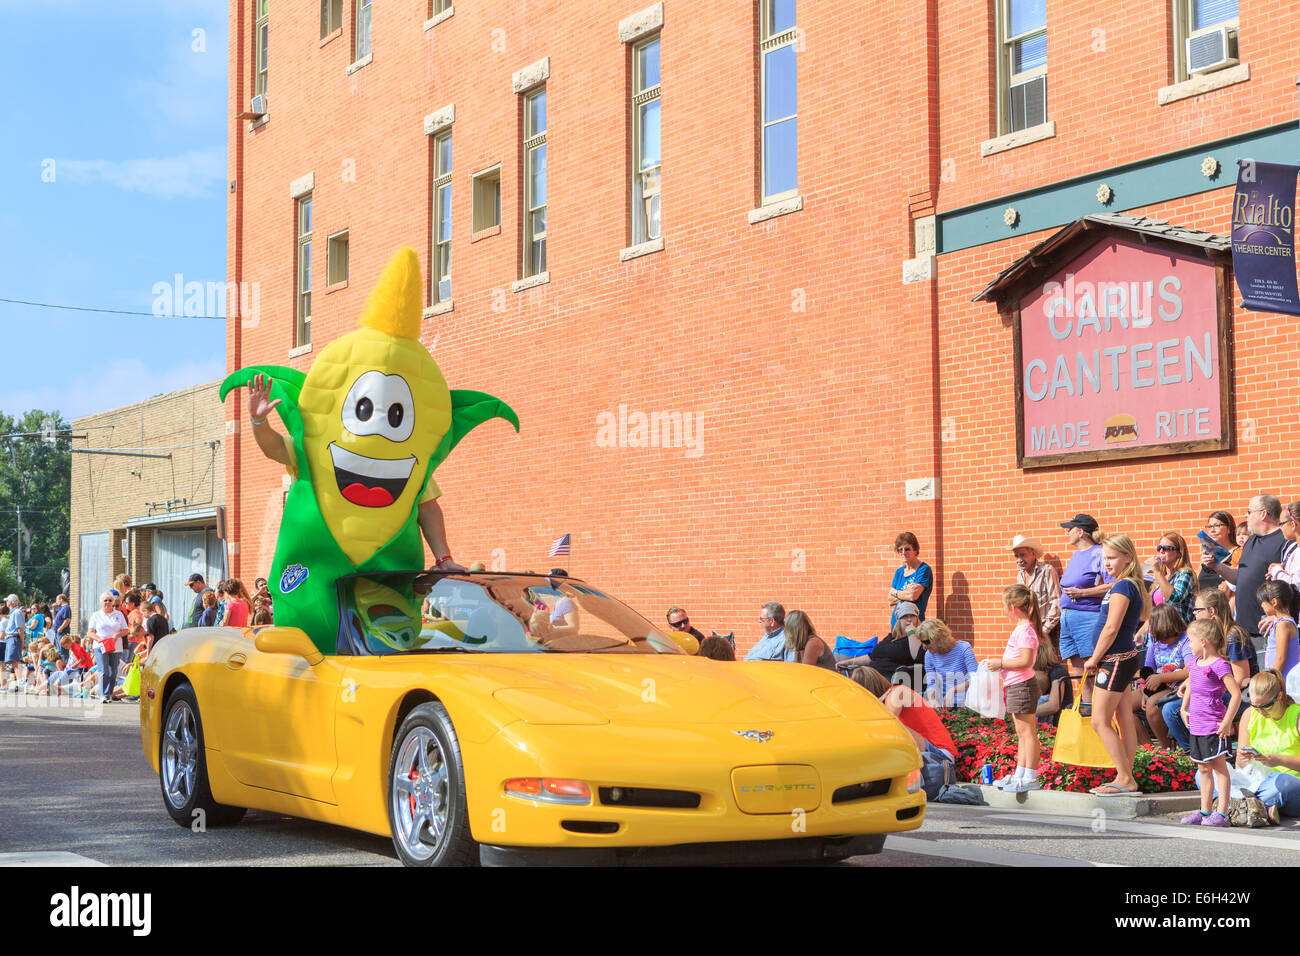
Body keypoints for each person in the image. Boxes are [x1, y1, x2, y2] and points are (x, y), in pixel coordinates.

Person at [246, 372, 469, 574]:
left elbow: (428, 507)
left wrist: (444, 558)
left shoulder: (405, 459)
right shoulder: (320, 446)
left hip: (387, 571)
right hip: (322, 570)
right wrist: (259, 421)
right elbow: (274, 448)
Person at [1083, 534, 1150, 795]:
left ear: (1128, 558)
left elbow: (1111, 628)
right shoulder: (1128, 585)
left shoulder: (1123, 587)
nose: (1106, 563)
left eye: (1111, 558)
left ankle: (1125, 778)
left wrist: (1094, 659)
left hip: (1114, 661)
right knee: (1123, 718)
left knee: (1099, 721)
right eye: (1104, 558)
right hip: (1122, 660)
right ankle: (1126, 776)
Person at [1179, 618, 1241, 826]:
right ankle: (1204, 811)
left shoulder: (1220, 664)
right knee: (1203, 769)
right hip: (1196, 725)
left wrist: (1226, 721)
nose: (1188, 645)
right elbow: (1191, 684)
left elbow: (1236, 694)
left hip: (1213, 725)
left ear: (1203, 641)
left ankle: (1221, 814)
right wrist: (1183, 708)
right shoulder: (1194, 663)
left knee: (1219, 768)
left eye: (1190, 640)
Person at [1204, 494, 1286, 652]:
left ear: (1263, 513)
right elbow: (1240, 577)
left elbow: (1293, 584)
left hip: (1269, 629)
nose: (1245, 516)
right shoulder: (1251, 541)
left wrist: (1279, 616)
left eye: (1249, 512)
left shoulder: (1284, 540)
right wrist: (1217, 566)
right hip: (1244, 630)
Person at [985, 584, 1043, 792]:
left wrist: (1000, 663)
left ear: (1013, 606)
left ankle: (1030, 776)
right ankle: (1021, 773)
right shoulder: (1022, 629)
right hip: (1016, 685)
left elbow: (1026, 661)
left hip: (1022, 684)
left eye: (1004, 605)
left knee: (1027, 732)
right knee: (1021, 731)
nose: (1003, 609)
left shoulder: (1026, 630)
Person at [1057, 514, 1111, 710]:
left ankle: (1101, 712)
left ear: (1081, 532)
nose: (1067, 532)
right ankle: (1087, 710)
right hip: (1068, 617)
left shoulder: (1099, 552)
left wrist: (1083, 593)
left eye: (1070, 529)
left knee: (1093, 667)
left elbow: (1114, 584)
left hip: (1087, 617)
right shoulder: (1077, 554)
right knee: (1079, 671)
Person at [1236, 669, 1300, 821]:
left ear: (1279, 696)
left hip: (1289, 784)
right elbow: (1240, 763)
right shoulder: (1249, 714)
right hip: (1258, 782)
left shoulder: (1296, 716)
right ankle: (1260, 807)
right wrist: (1243, 759)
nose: (1260, 711)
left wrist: (1279, 760)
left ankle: (1240, 804)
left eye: (1266, 706)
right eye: (1254, 705)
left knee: (1282, 782)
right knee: (1206, 773)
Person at [1134, 603, 1190, 748]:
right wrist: (1144, 690)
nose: (1162, 641)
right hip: (1154, 684)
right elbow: (1148, 668)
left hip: (1177, 686)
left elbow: (1190, 670)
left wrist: (1160, 678)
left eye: (1165, 638)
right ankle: (1149, 749)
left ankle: (1165, 748)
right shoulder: (1155, 640)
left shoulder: (1185, 640)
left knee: (1153, 705)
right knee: (1122, 705)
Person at [1012, 534, 1061, 651]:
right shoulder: (1020, 576)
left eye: (1022, 555)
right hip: (1027, 632)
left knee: (1043, 668)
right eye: (1016, 556)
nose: (1019, 560)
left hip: (1045, 632)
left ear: (1033, 553)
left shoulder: (1046, 571)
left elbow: (1056, 603)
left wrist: (1043, 632)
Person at [919, 618, 976, 709]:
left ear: (938, 637)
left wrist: (954, 690)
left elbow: (975, 679)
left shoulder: (964, 648)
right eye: (922, 642)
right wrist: (932, 699)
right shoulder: (929, 655)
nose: (924, 646)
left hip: (966, 705)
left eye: (926, 642)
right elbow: (932, 683)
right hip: (944, 706)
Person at [864, 601, 925, 687]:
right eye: (905, 616)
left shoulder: (917, 639)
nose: (909, 619)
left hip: (892, 679)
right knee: (855, 674)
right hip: (872, 673)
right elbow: (871, 656)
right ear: (899, 620)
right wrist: (848, 662)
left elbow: (917, 655)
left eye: (912, 616)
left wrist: (911, 632)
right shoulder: (891, 637)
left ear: (917, 619)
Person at [86, 591, 127, 703]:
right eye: (105, 600)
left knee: (113, 671)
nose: (108, 602)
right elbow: (90, 632)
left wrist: (117, 635)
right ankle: (103, 695)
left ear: (113, 602)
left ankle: (108, 694)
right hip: (100, 646)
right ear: (101, 602)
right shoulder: (96, 615)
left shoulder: (119, 614)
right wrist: (100, 640)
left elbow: (126, 630)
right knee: (103, 670)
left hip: (116, 647)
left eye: (110, 600)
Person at [1147, 532, 1197, 624]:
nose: (1161, 551)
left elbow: (1174, 598)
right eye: (1159, 548)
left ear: (1178, 553)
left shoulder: (1185, 574)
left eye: (1166, 548)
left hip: (1178, 633)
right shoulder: (1162, 576)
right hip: (1159, 631)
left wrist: (1157, 572)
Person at [1256, 580, 1299, 685]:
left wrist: (1271, 681)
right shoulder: (1282, 622)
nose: (1262, 605)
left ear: (1274, 602)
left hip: (1283, 681)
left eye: (1263, 601)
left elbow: (1280, 658)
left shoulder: (1283, 624)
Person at [888, 532, 933, 628]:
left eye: (907, 549)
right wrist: (906, 593)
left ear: (915, 550)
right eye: (900, 550)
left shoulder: (923, 570)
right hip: (896, 624)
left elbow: (913, 596)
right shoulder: (899, 572)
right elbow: (890, 599)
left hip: (913, 624)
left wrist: (896, 592)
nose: (903, 552)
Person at [1197, 510, 1238, 592]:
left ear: (1229, 529)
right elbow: (1197, 582)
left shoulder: (1239, 552)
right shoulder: (1207, 554)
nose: (1212, 530)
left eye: (1217, 526)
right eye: (1209, 527)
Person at [1267, 501, 1300, 585]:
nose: (1280, 527)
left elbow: (1295, 585)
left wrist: (1276, 571)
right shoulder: (1293, 546)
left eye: (1281, 523)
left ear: (1292, 525)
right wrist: (1282, 568)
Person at [3, 595, 27, 690]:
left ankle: (21, 682)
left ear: (12, 602)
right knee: (14, 661)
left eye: (7, 600)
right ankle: (20, 681)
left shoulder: (17, 612)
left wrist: (22, 642)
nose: (6, 602)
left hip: (14, 638)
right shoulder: (13, 613)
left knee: (16, 661)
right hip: (11, 638)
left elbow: (20, 629)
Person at [52, 594, 71, 661]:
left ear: (61, 599)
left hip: (62, 632)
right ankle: (61, 666)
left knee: (63, 651)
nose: (56, 602)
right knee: (59, 651)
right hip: (58, 632)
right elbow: (55, 617)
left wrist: (61, 628)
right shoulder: (61, 608)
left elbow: (67, 620)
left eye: (57, 600)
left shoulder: (66, 607)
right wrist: (54, 609)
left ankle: (65, 665)